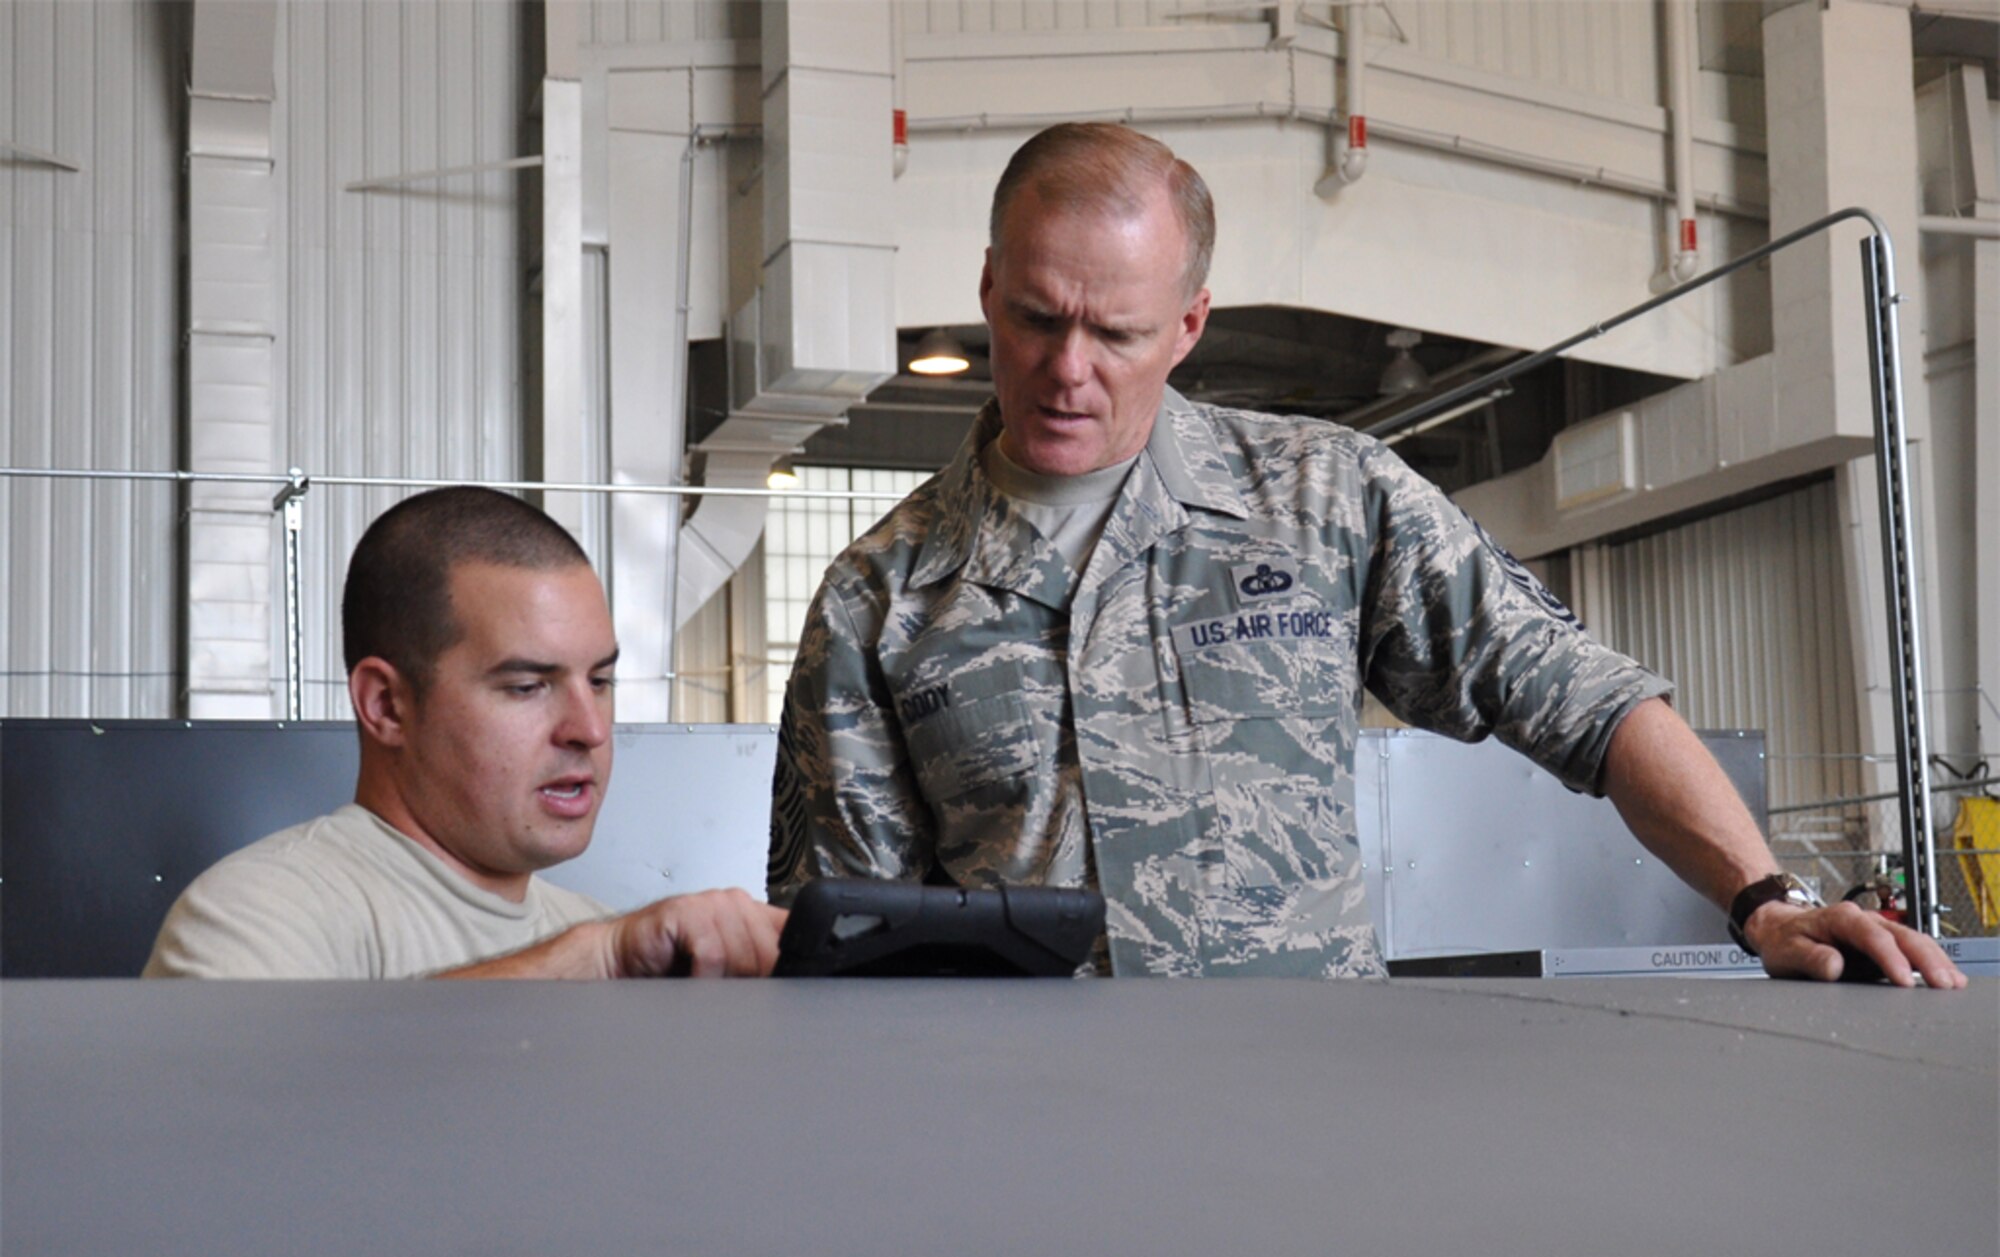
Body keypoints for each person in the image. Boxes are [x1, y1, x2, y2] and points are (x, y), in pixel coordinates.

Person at [767, 122, 1965, 988]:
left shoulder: (1322, 498)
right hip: (1023, 1129)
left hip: (1307, 1114)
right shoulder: (881, 596)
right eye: (1034, 317)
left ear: (1187, 324)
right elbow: (849, 937)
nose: (1066, 367)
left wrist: (1765, 899)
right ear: (985, 289)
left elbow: (1581, 698)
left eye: (1115, 330)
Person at [146, 486, 784, 980]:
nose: (588, 729)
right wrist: (597, 965)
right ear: (387, 705)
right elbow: (235, 1111)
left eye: (599, 681)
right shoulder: (256, 914)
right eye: (527, 686)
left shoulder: (594, 933)